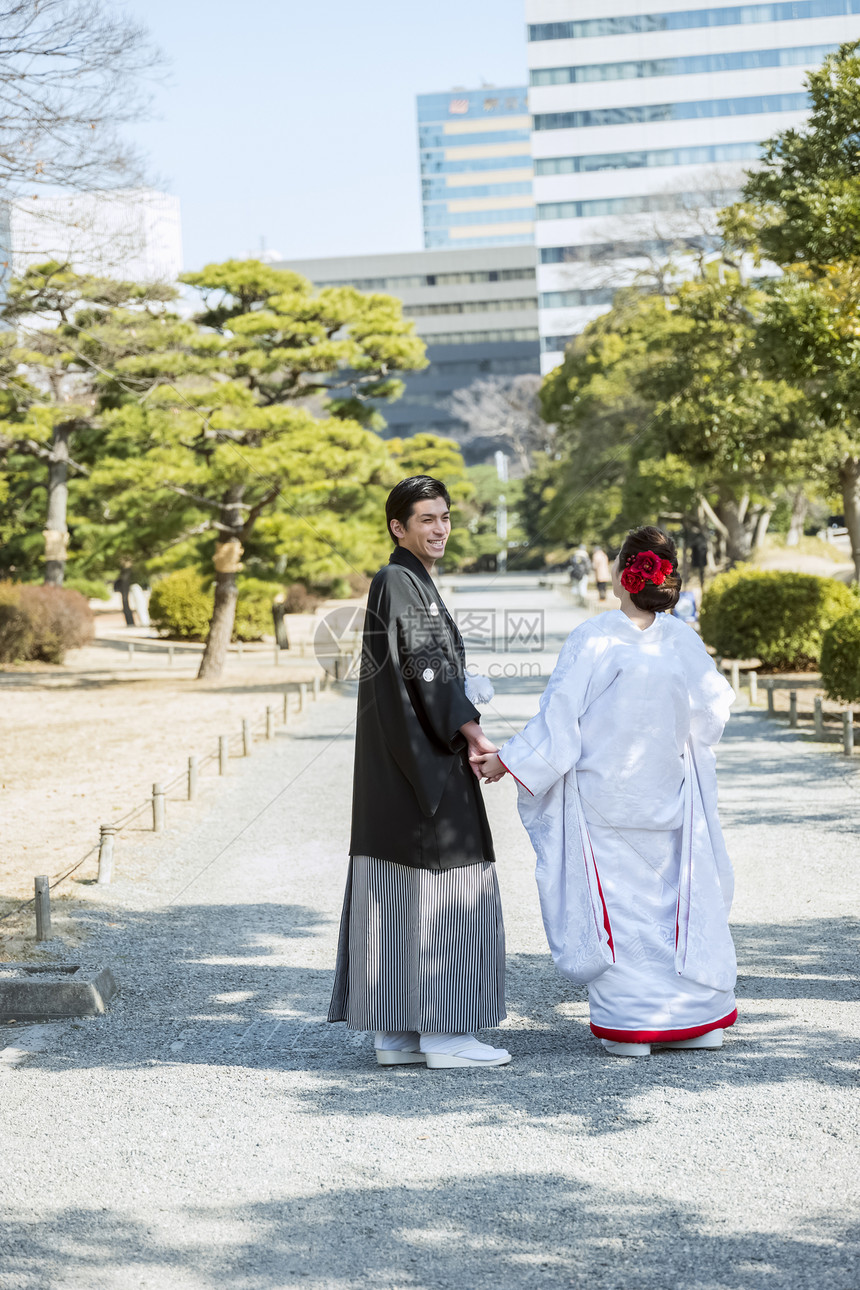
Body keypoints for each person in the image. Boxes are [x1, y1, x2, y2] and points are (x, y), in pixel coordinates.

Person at [474, 525, 737, 1058]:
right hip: (667, 792)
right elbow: (713, 712)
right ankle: (695, 1022)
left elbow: (560, 721)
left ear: (622, 576)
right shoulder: (683, 639)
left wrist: (508, 760)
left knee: (619, 911)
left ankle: (633, 1025)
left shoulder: (594, 637)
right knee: (675, 904)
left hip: (605, 801)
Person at [328, 475, 511, 1069]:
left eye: (445, 517)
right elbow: (426, 666)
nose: (439, 528)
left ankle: (398, 1032)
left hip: (397, 763)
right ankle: (446, 1033)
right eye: (426, 519)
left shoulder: (405, 581)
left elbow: (425, 666)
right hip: (423, 762)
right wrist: (474, 733)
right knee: (443, 885)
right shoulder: (399, 580)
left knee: (397, 886)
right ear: (397, 527)